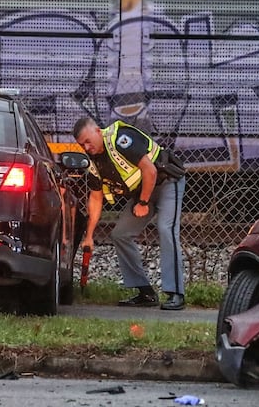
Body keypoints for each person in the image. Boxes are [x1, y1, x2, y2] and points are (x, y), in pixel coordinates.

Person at [73, 117, 186, 310]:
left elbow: (150, 170)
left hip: (166, 181)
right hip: (143, 192)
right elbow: (96, 198)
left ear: (98, 131)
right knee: (120, 234)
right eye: (82, 145)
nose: (86, 147)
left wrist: (143, 203)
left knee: (166, 229)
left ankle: (176, 293)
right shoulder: (93, 162)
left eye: (88, 141)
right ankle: (145, 293)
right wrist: (89, 236)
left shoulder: (120, 139)